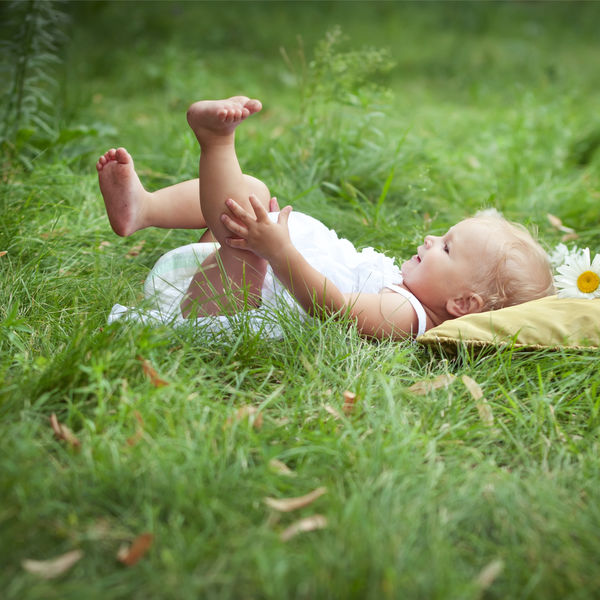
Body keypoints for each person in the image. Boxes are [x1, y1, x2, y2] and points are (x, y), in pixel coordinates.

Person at [97, 96, 554, 340]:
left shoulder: (406, 314)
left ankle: (215, 142)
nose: (432, 238)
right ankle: (145, 208)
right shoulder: (411, 291)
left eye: (448, 248)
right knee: (248, 197)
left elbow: (331, 309)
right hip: (242, 283)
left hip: (227, 308)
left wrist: (277, 251)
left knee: (247, 208)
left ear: (463, 305)